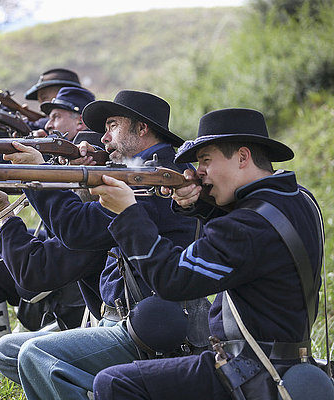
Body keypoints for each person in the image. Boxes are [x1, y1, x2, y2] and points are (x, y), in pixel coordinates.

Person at [89, 108, 324, 400]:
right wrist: (198, 203)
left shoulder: (247, 225)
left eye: (206, 160)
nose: (198, 172)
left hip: (250, 371)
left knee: (113, 383)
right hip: (286, 360)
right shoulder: (299, 198)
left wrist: (128, 213)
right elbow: (248, 238)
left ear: (242, 157)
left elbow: (172, 280)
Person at [0, 90, 206, 399]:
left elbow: (77, 230)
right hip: (116, 317)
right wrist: (83, 181)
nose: (103, 138)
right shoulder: (137, 173)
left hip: (147, 327)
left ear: (142, 129)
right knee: (7, 351)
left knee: (34, 355)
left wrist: (40, 171)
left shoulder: (154, 181)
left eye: (112, 126)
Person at [0, 87, 103, 369]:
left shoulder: (110, 191)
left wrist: (7, 210)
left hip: (76, 305)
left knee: (11, 351)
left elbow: (34, 276)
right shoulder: (73, 167)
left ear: (81, 123)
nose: (46, 123)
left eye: (56, 115)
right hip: (62, 283)